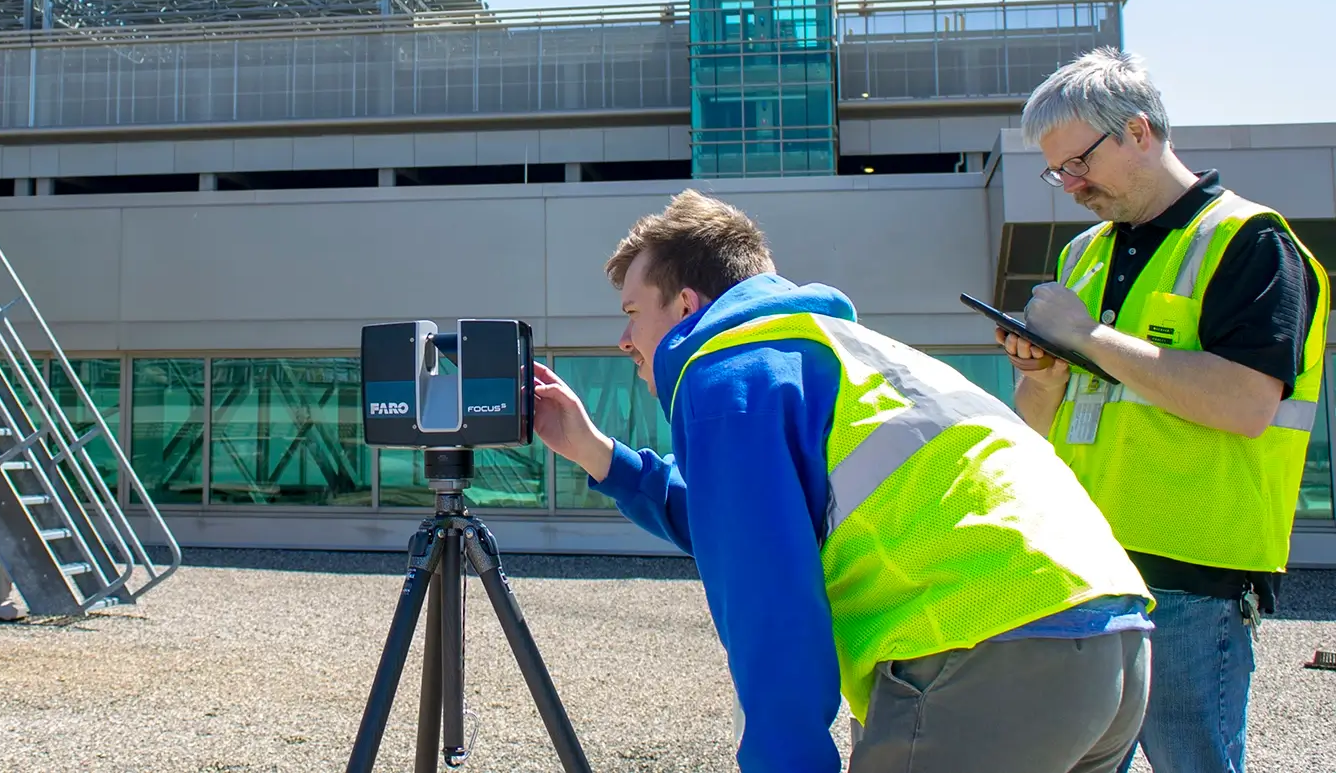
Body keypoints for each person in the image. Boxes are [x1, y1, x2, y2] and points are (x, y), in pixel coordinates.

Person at [532, 188, 1155, 773]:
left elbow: (769, 603)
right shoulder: (836, 349)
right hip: (1112, 642)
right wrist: (599, 455)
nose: (623, 340)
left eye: (633, 312)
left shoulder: (726, 373)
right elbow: (751, 525)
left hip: (986, 649)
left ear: (688, 305)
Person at [998, 47, 1329, 773]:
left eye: (1079, 161)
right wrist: (1045, 370)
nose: (1070, 184)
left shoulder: (1252, 243)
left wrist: (1088, 337)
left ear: (1139, 131)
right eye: (1057, 171)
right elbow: (1039, 423)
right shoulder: (1083, 253)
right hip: (1087, 569)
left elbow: (1246, 402)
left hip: (1192, 578)